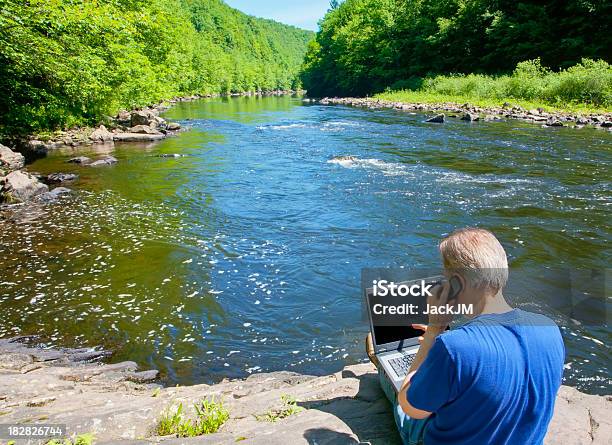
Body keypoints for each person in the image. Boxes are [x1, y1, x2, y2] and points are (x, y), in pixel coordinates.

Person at [367, 227, 565, 445]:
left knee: (400, 394)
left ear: (457, 282)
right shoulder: (549, 328)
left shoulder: (454, 347)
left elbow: (411, 408)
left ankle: (381, 364)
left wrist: (434, 330)